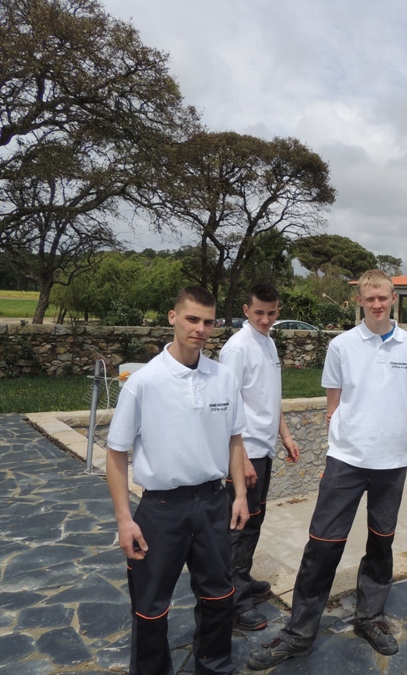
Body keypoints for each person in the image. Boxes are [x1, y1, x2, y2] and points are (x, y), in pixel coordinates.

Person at [248, 269, 407, 670]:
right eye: (369, 298)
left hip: (392, 461)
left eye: (383, 297)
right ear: (359, 300)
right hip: (346, 461)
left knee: (381, 542)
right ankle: (299, 633)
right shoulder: (341, 345)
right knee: (322, 545)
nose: (377, 304)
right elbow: (334, 403)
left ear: (393, 298)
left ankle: (370, 617)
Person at [105, 286, 249, 675]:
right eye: (192, 319)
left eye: (208, 322)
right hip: (161, 509)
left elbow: (235, 439)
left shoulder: (223, 378)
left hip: (213, 503)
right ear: (173, 317)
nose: (200, 329)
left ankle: (215, 667)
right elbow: (116, 454)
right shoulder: (144, 382)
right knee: (150, 606)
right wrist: (124, 519)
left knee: (218, 596)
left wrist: (238, 494)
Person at [219, 284, 301, 631]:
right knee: (239, 527)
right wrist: (241, 460)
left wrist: (285, 436)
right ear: (246, 310)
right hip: (246, 452)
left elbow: (270, 398)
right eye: (259, 313)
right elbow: (227, 405)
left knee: (254, 521)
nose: (265, 319)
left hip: (263, 449)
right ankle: (234, 602)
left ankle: (243, 579)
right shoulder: (237, 349)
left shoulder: (268, 342)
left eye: (271, 313)